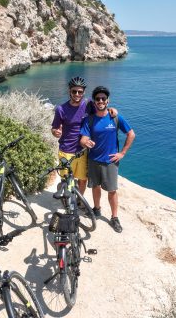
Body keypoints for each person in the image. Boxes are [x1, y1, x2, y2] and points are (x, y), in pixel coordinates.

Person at [80, 86, 135, 233]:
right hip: (93, 160)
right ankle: (97, 209)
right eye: (98, 99)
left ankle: (114, 217)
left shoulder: (115, 117)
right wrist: (86, 142)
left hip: (110, 161)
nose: (100, 101)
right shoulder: (89, 119)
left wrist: (122, 153)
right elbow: (84, 137)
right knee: (96, 187)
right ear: (94, 101)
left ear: (108, 100)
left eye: (103, 98)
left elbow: (131, 134)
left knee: (112, 190)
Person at [51, 76, 117, 196]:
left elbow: (102, 108)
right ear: (69, 91)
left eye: (80, 91)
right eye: (74, 91)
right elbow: (54, 128)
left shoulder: (88, 104)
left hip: (82, 151)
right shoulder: (61, 109)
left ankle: (78, 201)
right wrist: (55, 132)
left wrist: (112, 109)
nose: (77, 94)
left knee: (83, 179)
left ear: (84, 92)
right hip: (66, 150)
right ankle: (67, 200)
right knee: (66, 180)